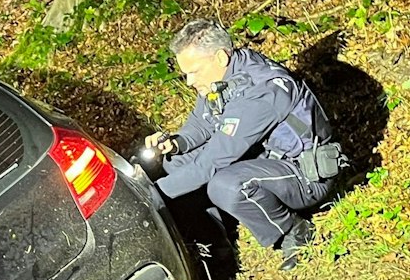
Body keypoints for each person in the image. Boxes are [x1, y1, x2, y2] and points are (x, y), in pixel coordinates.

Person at [145, 20, 340, 265]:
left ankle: (293, 231)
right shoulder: (225, 76)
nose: (189, 81)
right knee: (176, 162)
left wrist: (152, 197)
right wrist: (177, 143)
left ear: (219, 58)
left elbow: (212, 162)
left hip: (304, 175)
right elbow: (202, 122)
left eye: (193, 72)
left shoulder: (261, 91)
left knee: (225, 185)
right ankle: (216, 236)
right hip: (267, 159)